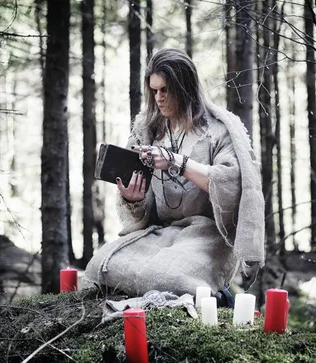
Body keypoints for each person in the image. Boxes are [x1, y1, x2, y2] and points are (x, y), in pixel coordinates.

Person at [84, 48, 264, 304]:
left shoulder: (219, 131)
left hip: (207, 234)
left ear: (185, 87)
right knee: (102, 265)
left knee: (168, 278)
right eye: (154, 91)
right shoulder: (148, 130)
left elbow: (231, 185)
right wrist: (134, 199)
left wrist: (177, 162)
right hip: (163, 233)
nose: (158, 98)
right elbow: (145, 210)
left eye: (165, 90)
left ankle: (220, 297)